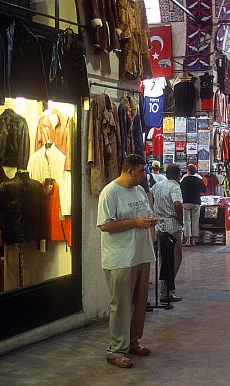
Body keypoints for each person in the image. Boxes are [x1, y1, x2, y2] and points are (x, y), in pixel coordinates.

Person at [96, 154, 157, 369]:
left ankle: (132, 341)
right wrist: (135, 222)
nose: (144, 174)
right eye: (141, 171)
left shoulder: (140, 190)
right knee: (121, 305)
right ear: (129, 170)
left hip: (140, 254)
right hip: (120, 257)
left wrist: (149, 221)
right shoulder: (110, 192)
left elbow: (144, 214)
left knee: (138, 304)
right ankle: (116, 350)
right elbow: (105, 225)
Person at [152, 164, 184, 302]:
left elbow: (151, 197)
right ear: (178, 175)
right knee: (174, 260)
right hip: (172, 227)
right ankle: (166, 292)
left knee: (163, 260)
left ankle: (164, 291)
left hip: (159, 226)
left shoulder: (158, 185)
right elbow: (177, 204)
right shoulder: (175, 186)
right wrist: (181, 220)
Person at [180, 164, 206, 247]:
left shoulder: (184, 180)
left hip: (186, 202)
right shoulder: (199, 180)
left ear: (188, 171)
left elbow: (180, 190)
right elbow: (203, 191)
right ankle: (194, 240)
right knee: (195, 221)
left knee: (187, 221)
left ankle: (188, 240)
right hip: (196, 202)